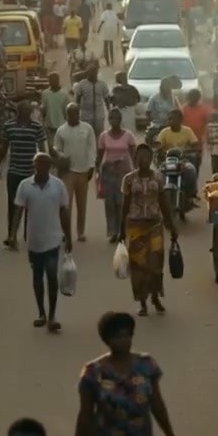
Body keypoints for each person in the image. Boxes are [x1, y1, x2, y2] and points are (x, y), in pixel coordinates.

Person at [13, 153, 72, 332]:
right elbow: (18, 211)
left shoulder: (58, 185)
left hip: (53, 239)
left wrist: (68, 236)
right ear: (34, 165)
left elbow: (64, 212)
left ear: (50, 166)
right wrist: (12, 234)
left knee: (51, 276)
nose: (42, 167)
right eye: (39, 164)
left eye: (46, 164)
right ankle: (41, 313)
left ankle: (52, 315)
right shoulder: (25, 186)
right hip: (34, 240)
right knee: (37, 277)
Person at [119, 143, 177, 316]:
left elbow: (164, 202)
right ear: (135, 158)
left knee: (156, 263)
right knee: (138, 265)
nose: (143, 160)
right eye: (140, 156)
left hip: (155, 225)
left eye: (146, 156)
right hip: (136, 226)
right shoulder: (128, 179)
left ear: (151, 159)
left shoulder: (158, 178)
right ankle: (142, 301)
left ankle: (155, 297)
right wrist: (121, 229)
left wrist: (171, 224)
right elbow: (125, 205)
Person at [0, 101, 47, 250]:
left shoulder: (37, 127)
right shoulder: (9, 126)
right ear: (19, 112)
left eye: (30, 111)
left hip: (31, 172)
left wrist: (44, 168)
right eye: (25, 111)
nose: (28, 113)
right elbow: (3, 147)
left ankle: (28, 235)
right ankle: (12, 235)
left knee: (31, 205)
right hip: (14, 171)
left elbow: (42, 149)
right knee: (13, 204)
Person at [53, 103, 96, 243]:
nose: (73, 116)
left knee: (82, 204)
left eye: (76, 113)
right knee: (66, 205)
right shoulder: (61, 130)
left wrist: (91, 166)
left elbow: (91, 148)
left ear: (79, 114)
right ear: (66, 114)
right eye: (70, 114)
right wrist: (60, 155)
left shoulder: (87, 128)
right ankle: (65, 232)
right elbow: (56, 148)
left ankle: (80, 232)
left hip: (83, 171)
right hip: (68, 172)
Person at [96, 107, 137, 242]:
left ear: (121, 120)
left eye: (117, 118)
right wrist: (97, 171)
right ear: (109, 120)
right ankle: (113, 232)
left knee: (122, 203)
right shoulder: (103, 136)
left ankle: (122, 231)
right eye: (112, 118)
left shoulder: (128, 135)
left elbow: (134, 155)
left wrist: (136, 171)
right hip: (108, 172)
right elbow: (100, 155)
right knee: (110, 203)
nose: (114, 120)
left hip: (124, 173)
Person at [157, 108, 199, 197]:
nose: (169, 121)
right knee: (159, 175)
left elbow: (195, 145)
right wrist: (160, 150)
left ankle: (192, 194)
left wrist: (187, 151)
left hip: (183, 161)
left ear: (180, 120)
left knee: (191, 170)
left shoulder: (187, 131)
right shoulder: (164, 132)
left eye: (172, 119)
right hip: (168, 161)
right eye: (169, 119)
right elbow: (158, 146)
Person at [73, 62, 110, 140]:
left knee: (99, 136)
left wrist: (109, 110)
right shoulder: (81, 84)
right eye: (91, 72)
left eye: (95, 72)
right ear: (87, 73)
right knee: (86, 136)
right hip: (86, 116)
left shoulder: (102, 84)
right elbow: (78, 100)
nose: (93, 74)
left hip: (99, 115)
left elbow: (106, 98)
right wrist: (76, 113)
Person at [40, 72, 69, 148]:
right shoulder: (45, 94)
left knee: (61, 148)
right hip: (49, 126)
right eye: (51, 80)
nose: (52, 82)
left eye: (54, 80)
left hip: (61, 126)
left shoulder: (64, 94)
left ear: (58, 81)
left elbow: (66, 112)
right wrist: (44, 122)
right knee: (51, 148)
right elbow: (43, 109)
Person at [111, 70, 142, 134]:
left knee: (129, 129)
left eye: (124, 78)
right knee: (123, 128)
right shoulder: (116, 89)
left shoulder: (131, 89)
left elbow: (138, 98)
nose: (124, 79)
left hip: (129, 110)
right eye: (122, 78)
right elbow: (112, 100)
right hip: (121, 111)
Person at [97, 2, 119, 67]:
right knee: (111, 45)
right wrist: (117, 31)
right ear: (111, 7)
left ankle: (107, 61)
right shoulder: (114, 13)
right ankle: (112, 60)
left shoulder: (104, 13)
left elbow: (102, 22)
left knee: (105, 46)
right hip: (112, 31)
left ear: (106, 7)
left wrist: (98, 29)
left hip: (106, 30)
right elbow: (117, 23)